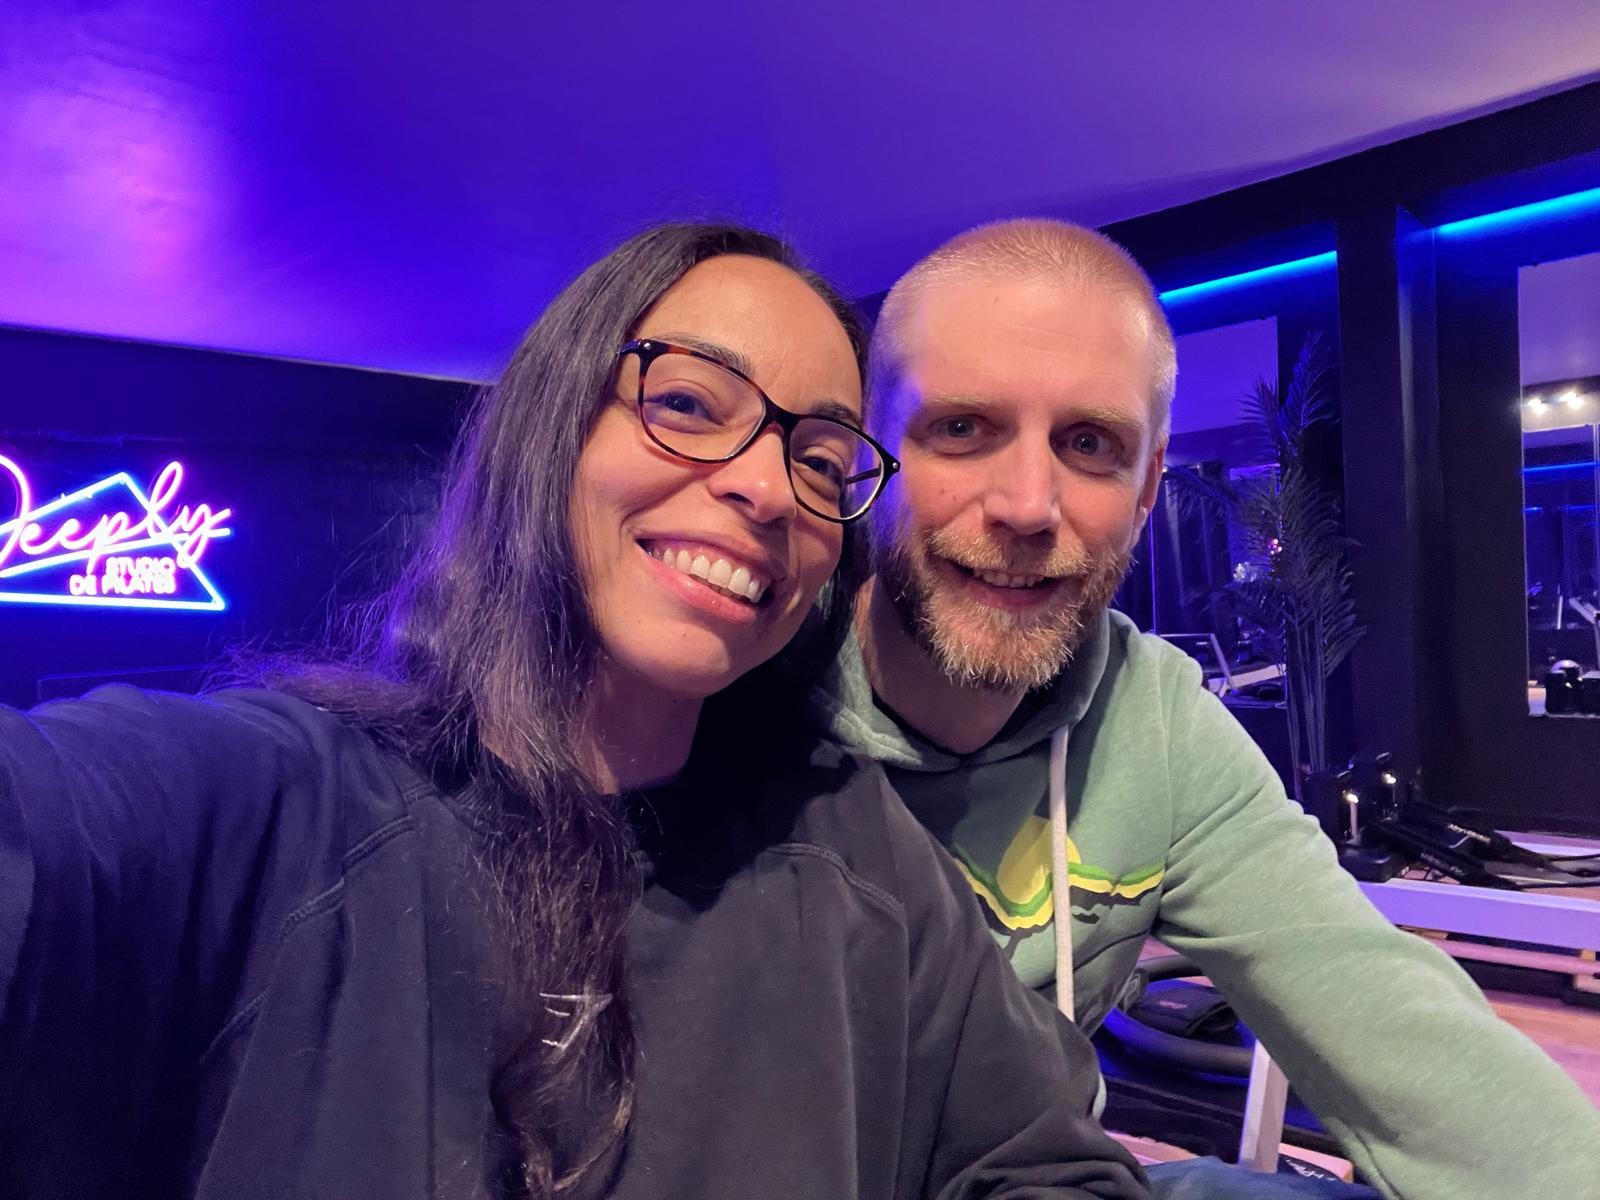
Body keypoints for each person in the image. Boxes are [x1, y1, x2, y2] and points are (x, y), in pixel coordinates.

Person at [0, 224, 1153, 1199]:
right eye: (688, 402)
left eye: (816, 459)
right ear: (550, 426)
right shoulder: (265, 809)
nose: (764, 487)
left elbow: (1053, 1168)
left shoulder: (850, 848)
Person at [808, 217, 1600, 1199]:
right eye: (962, 429)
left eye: (1089, 443)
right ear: (863, 453)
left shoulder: (1154, 723)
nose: (1026, 504)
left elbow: (1397, 1026)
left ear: (1147, 488)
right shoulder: (741, 702)